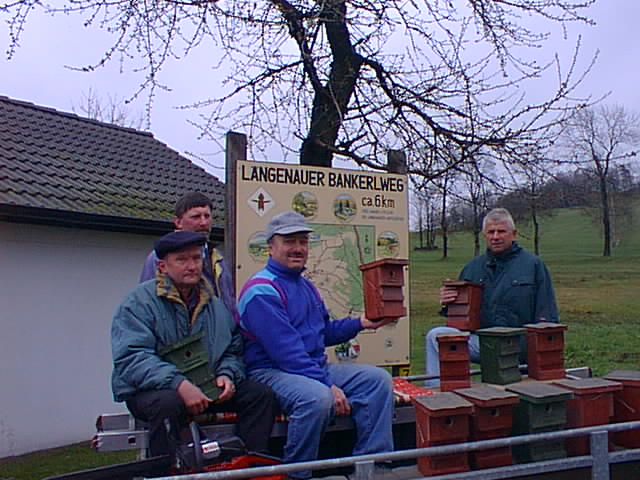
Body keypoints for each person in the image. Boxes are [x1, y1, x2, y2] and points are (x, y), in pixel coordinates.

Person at [237, 211, 395, 479]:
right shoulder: (261, 291)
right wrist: (327, 385)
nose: (297, 248)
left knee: (377, 380)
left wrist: (360, 323)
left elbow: (322, 333)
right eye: (289, 241)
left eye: (302, 242)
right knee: (317, 399)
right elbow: (287, 353)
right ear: (271, 247)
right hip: (270, 372)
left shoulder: (306, 286)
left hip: (308, 367)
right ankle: (297, 472)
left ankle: (372, 467)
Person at [112, 231, 277, 457]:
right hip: (152, 391)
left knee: (259, 395)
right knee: (168, 404)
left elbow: (233, 349)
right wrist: (179, 384)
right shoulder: (137, 304)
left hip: (205, 386)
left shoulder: (216, 306)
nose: (191, 266)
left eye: (196, 258)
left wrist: (227, 374)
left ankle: (248, 464)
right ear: (162, 267)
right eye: (182, 260)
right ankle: (169, 471)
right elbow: (132, 358)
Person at [424, 208, 559, 387]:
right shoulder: (472, 268)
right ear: (484, 235)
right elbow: (461, 316)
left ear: (514, 234)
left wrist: (541, 359)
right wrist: (448, 303)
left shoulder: (533, 265)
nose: (495, 237)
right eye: (491, 232)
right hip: (483, 343)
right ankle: (439, 397)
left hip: (518, 346)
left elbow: (546, 314)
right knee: (436, 336)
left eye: (501, 231)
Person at [139, 192, 237, 318]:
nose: (203, 223)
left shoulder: (217, 259)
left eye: (207, 216)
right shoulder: (159, 258)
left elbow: (229, 303)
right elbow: (148, 303)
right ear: (178, 222)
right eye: (196, 217)